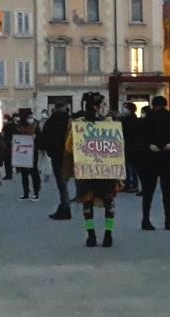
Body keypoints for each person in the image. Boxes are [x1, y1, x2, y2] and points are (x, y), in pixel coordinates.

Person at [68, 92, 118, 247]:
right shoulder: (110, 124)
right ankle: (108, 235)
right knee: (109, 202)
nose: (105, 108)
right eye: (103, 105)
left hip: (87, 169)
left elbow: (69, 147)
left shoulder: (79, 124)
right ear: (97, 107)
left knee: (87, 203)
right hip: (107, 169)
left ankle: (91, 236)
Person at [140, 96, 170, 231]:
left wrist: (148, 145)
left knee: (148, 191)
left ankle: (146, 219)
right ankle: (167, 220)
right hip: (166, 156)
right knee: (166, 190)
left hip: (149, 157)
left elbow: (141, 138)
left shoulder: (146, 120)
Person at [42, 103, 71, 220]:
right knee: (67, 181)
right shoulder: (70, 121)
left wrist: (49, 150)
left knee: (61, 182)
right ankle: (67, 204)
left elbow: (45, 137)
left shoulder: (50, 122)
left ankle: (65, 206)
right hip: (70, 154)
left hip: (57, 155)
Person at [16, 113, 42, 201]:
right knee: (24, 172)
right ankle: (26, 192)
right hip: (22, 151)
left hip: (33, 150)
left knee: (34, 171)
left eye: (31, 117)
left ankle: (36, 192)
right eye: (28, 117)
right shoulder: (20, 127)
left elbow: (40, 138)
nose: (30, 119)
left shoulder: (35, 126)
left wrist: (36, 138)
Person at [120, 102, 143, 194]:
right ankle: (132, 184)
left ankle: (131, 185)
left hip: (130, 146)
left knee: (130, 166)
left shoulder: (127, 120)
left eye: (125, 108)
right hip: (133, 146)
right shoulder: (135, 119)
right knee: (131, 167)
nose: (124, 110)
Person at [2, 114, 19, 180]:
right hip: (14, 145)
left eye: (5, 119)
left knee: (7, 161)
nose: (4, 120)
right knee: (12, 159)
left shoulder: (6, 127)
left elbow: (4, 136)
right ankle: (17, 170)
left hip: (7, 145)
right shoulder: (15, 126)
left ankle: (9, 174)